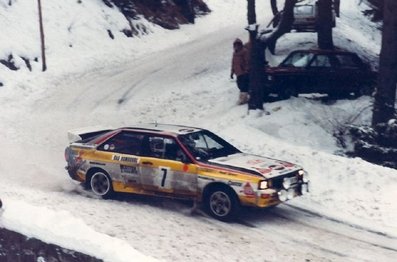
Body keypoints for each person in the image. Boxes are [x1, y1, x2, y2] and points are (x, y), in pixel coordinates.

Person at [230, 38, 250, 105]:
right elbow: (233, 63)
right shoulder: (235, 53)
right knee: (239, 85)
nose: (236, 47)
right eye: (235, 45)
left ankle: (243, 99)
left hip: (243, 72)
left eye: (238, 45)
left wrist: (247, 69)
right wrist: (232, 72)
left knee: (243, 86)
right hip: (238, 72)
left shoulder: (244, 52)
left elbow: (247, 61)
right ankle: (244, 97)